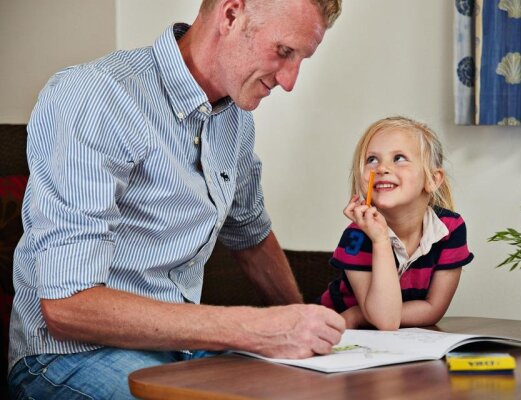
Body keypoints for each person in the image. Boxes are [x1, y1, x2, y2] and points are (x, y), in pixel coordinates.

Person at [8, 0, 344, 398]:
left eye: (300, 59)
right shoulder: (97, 97)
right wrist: (258, 329)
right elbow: (67, 306)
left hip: (178, 351)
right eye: (284, 52)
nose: (289, 81)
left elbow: (251, 236)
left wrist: (310, 333)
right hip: (68, 357)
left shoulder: (234, 119)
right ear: (231, 15)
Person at [319, 116, 474, 330]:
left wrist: (358, 314)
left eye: (399, 158)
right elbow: (385, 320)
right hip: (339, 334)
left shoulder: (450, 229)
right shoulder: (356, 236)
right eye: (372, 160)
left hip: (388, 335)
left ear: (433, 179)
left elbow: (433, 309)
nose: (381, 168)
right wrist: (380, 240)